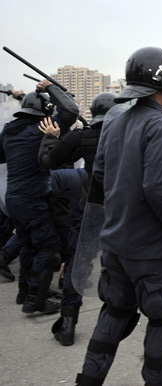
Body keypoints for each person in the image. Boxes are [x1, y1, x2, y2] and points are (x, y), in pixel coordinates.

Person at [76, 47, 162, 386]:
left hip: (116, 244)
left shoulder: (115, 121)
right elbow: (160, 188)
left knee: (114, 313)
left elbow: (101, 180)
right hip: (150, 249)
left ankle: (87, 381)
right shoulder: (161, 125)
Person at [38, 92, 116, 346]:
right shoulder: (128, 136)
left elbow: (49, 161)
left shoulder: (81, 136)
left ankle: (68, 322)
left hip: (90, 210)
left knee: (78, 266)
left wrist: (51, 138)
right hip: (124, 211)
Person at [0, 80, 79, 314]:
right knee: (48, 248)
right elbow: (71, 111)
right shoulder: (41, 130)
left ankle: (24, 291)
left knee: (28, 245)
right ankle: (35, 297)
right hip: (33, 197)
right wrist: (51, 89)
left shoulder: (9, 132)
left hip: (14, 198)